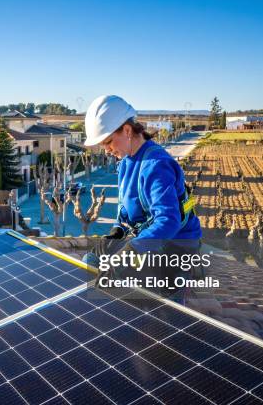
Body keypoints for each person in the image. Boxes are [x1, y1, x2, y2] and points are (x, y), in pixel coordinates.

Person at [84, 95, 202, 299]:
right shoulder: (126, 161)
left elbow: (168, 221)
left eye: (109, 142)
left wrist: (132, 251)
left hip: (175, 244)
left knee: (138, 288)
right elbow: (125, 209)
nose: (107, 150)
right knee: (91, 260)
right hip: (147, 238)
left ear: (127, 131)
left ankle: (171, 303)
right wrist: (117, 231)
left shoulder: (157, 166)